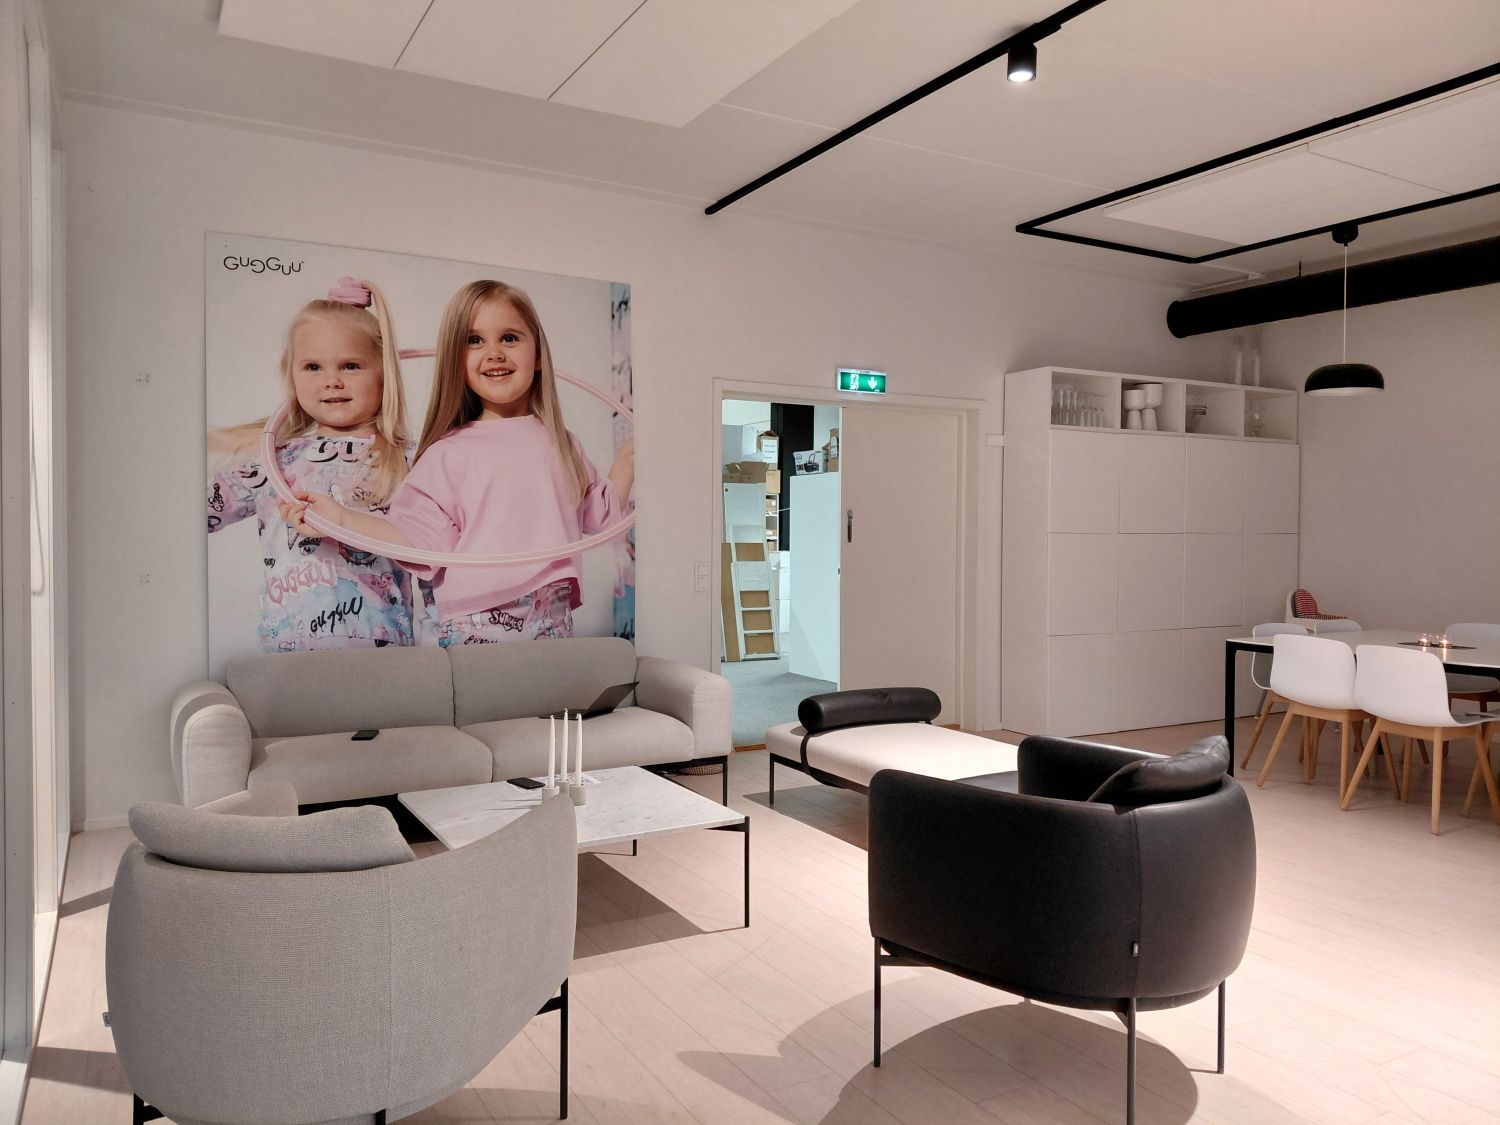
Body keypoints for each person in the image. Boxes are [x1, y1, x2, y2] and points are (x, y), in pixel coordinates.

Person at [280, 279, 635, 645]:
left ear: (539, 355)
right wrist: (341, 520)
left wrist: (630, 456)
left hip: (551, 616)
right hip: (474, 623)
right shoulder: (447, 453)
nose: (494, 353)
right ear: (456, 360)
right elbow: (417, 539)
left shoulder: (563, 444)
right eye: (474, 340)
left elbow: (600, 516)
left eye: (509, 338)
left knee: (550, 687)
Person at [208, 278, 424, 651]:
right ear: (291, 374)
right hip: (289, 657)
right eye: (312, 367)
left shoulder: (413, 461)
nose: (332, 381)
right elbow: (183, 518)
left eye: (350, 366)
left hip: (385, 657)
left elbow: (437, 552)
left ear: (384, 372)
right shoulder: (273, 460)